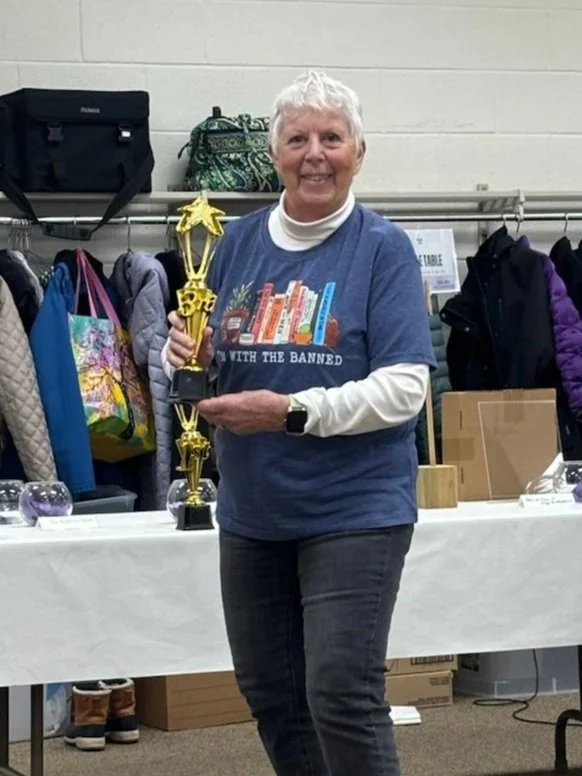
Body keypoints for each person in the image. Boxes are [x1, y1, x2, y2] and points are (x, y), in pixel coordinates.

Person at [162, 70, 435, 776]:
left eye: (332, 139)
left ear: (359, 153)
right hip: (253, 512)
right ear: (275, 154)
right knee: (273, 695)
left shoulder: (383, 249)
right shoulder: (234, 243)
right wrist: (184, 354)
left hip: (355, 510)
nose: (315, 154)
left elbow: (406, 388)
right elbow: (210, 355)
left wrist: (290, 413)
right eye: (297, 139)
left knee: (341, 693)